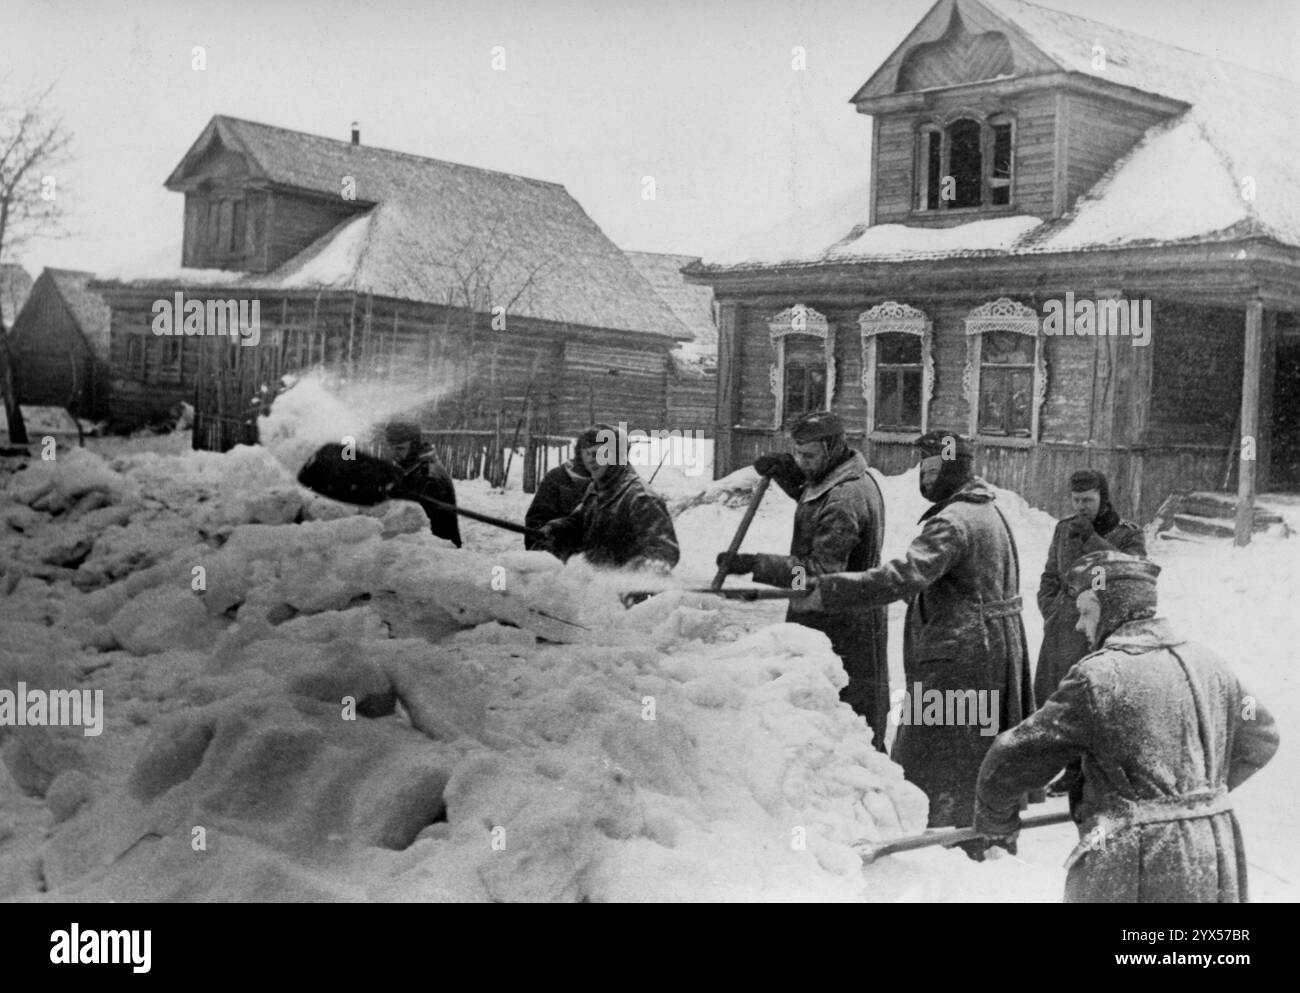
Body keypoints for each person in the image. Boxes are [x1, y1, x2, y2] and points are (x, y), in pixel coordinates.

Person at [975, 551, 1279, 902]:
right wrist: (1195, 796)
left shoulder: (1098, 678)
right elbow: (1263, 735)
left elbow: (1013, 754)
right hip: (1212, 852)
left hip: (1132, 858)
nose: (1078, 625)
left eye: (1086, 612)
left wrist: (996, 821)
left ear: (1112, 610)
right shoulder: (1213, 664)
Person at [803, 431, 1034, 836]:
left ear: (953, 469)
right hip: (990, 651)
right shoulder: (988, 512)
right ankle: (982, 834)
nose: (924, 481)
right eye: (922, 470)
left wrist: (830, 589)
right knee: (976, 747)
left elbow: (905, 576)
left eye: (931, 470)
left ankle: (945, 842)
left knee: (936, 754)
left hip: (960, 657)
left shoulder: (953, 521)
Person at [713, 411, 890, 751]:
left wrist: (757, 565)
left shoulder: (845, 499)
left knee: (843, 719)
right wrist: (788, 473)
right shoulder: (842, 478)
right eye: (797, 455)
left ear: (833, 448)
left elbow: (821, 573)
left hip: (843, 623)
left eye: (808, 457)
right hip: (839, 613)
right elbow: (813, 498)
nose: (803, 463)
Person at [1035, 468, 1145, 797]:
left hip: (1107, 629)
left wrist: (1092, 539)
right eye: (1077, 499)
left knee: (1100, 700)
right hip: (1066, 628)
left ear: (1103, 498)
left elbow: (1133, 575)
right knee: (1061, 695)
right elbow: (1050, 576)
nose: (1082, 506)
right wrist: (1052, 610)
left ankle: (1100, 771)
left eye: (1089, 499)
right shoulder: (1063, 529)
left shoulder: (1127, 535)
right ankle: (1071, 769)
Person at [538, 423, 679, 570]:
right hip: (594, 582)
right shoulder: (596, 488)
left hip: (627, 589)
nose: (591, 460)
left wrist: (627, 574)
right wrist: (556, 529)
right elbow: (580, 521)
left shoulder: (640, 497)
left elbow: (665, 552)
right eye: (587, 454)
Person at [382, 420, 462, 547]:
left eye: (400, 448)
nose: (393, 454)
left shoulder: (427, 478)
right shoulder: (416, 468)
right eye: (391, 448)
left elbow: (417, 526)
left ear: (414, 446)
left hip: (436, 554)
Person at [523, 432, 594, 553]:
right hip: (560, 558)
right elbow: (535, 526)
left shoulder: (614, 482)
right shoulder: (556, 479)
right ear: (579, 454)